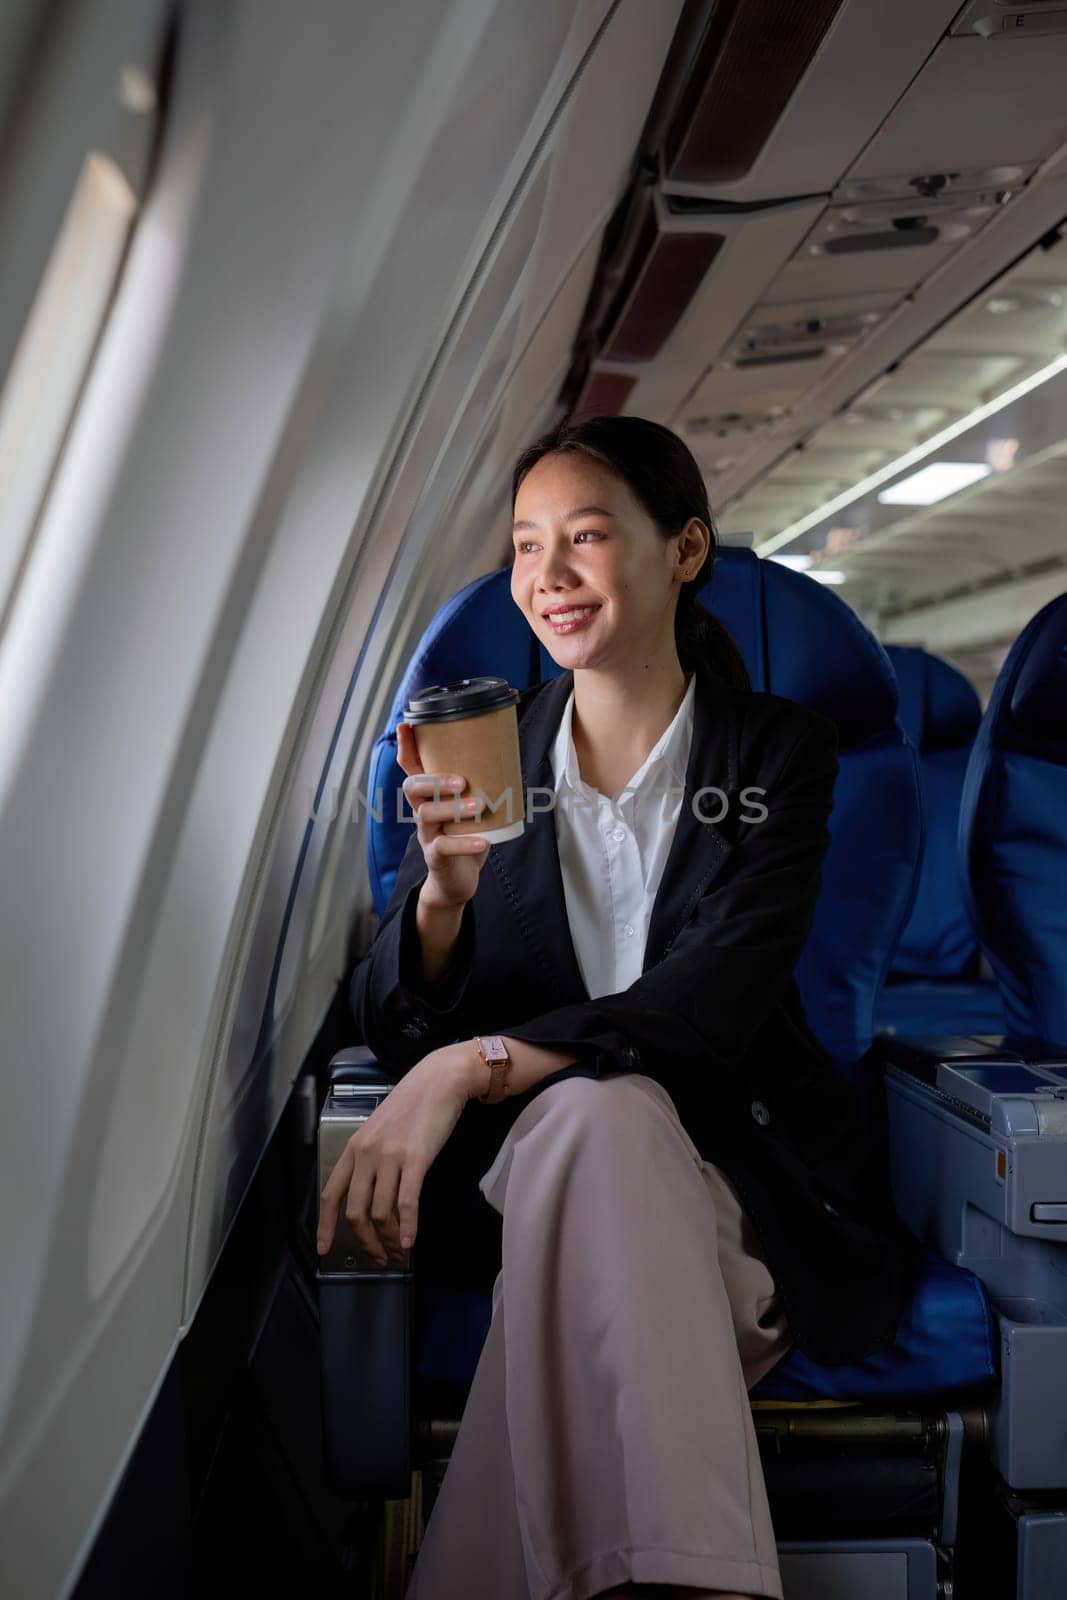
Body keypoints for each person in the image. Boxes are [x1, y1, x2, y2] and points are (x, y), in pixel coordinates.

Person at [316, 416, 921, 1599]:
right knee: (592, 1120)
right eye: (525, 546)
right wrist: (440, 900)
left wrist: (473, 1066)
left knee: (606, 1116)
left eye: (584, 537)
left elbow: (707, 1005)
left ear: (683, 548)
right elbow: (388, 1021)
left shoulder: (776, 755)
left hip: (734, 1207)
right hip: (539, 1197)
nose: (545, 577)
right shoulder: (493, 756)